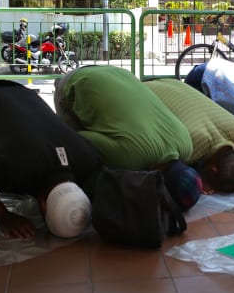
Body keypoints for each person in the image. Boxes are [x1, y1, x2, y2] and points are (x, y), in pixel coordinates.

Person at [0, 80, 100, 239]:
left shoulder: (88, 159)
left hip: (24, 93)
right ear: (42, 206)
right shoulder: (12, 169)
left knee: (9, 179)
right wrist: (4, 217)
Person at [54, 65, 202, 210]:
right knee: (83, 155)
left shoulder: (187, 146)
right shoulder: (130, 159)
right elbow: (78, 138)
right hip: (75, 81)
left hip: (120, 74)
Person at [143, 78, 234, 194]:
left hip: (168, 83)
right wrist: (197, 182)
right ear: (212, 170)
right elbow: (159, 168)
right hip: (144, 93)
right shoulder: (188, 149)